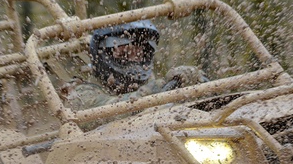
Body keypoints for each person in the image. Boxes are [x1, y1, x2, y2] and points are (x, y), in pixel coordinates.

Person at [64, 21, 205, 109]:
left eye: (139, 52)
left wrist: (190, 78)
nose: (133, 57)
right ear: (103, 54)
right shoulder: (80, 92)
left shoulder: (149, 82)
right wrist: (158, 88)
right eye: (124, 51)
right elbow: (107, 112)